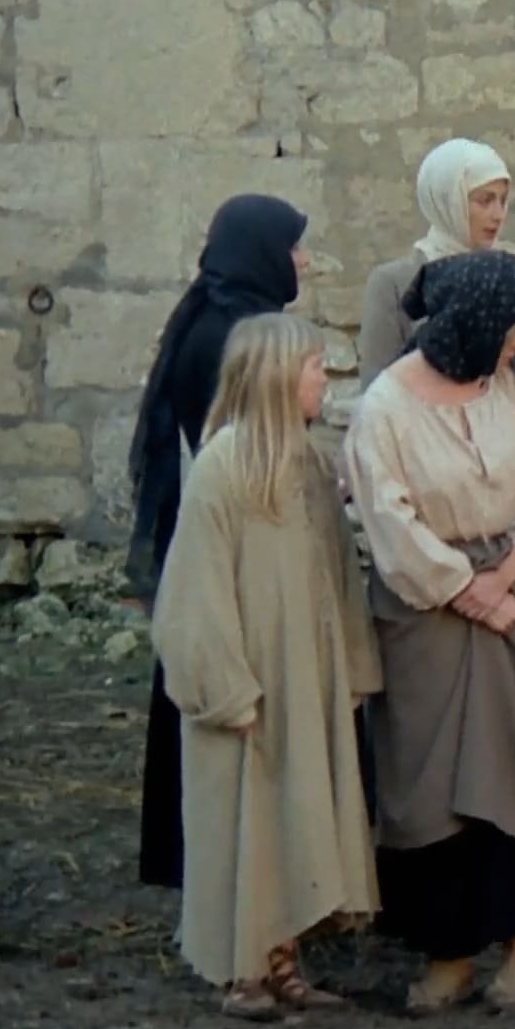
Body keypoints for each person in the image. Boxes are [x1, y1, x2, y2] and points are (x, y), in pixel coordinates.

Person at [343, 250, 515, 1014]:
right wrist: (463, 591)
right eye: (511, 330)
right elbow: (387, 517)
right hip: (429, 612)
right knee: (434, 788)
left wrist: (505, 573)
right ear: (471, 326)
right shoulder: (385, 408)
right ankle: (448, 954)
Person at [150, 311, 382, 1021]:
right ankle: (240, 969)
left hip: (305, 672)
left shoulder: (309, 464)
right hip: (249, 676)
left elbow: (338, 570)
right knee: (242, 819)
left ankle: (284, 960)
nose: (324, 379)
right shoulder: (223, 466)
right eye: (314, 366)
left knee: (296, 813)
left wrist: (350, 667)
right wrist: (226, 687)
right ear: (279, 376)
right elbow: (195, 590)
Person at [126, 193, 310, 891]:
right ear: (260, 251)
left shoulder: (223, 319)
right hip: (231, 543)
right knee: (228, 689)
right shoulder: (229, 338)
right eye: (292, 248)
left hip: (228, 532)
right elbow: (239, 450)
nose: (302, 262)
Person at [358, 137, 515, 388]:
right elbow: (376, 383)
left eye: (503, 200)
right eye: (485, 201)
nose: (498, 214)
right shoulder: (394, 283)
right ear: (448, 200)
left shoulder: (510, 276)